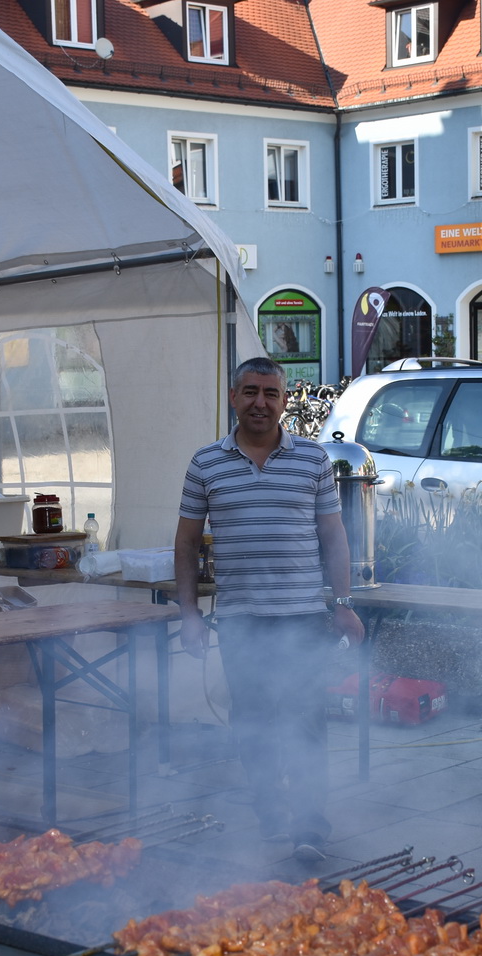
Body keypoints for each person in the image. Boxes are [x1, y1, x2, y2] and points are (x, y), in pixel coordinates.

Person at [174, 357, 365, 864]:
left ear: (285, 401)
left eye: (271, 393)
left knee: (306, 724)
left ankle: (310, 829)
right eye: (251, 391)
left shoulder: (312, 460)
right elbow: (186, 544)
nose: (261, 402)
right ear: (233, 396)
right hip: (241, 621)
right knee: (253, 724)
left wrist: (343, 603)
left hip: (303, 618)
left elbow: (333, 535)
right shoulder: (205, 463)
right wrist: (190, 614)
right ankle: (269, 813)